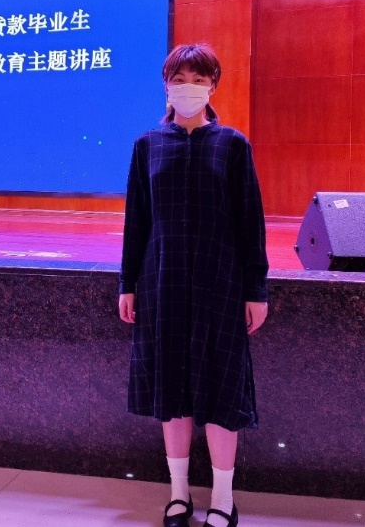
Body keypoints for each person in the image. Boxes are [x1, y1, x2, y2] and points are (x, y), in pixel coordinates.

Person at [118, 44, 269, 527]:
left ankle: (223, 498)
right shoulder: (147, 145)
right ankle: (179, 493)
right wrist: (127, 283)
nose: (189, 87)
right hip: (160, 281)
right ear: (166, 85)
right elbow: (137, 221)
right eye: (180, 78)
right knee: (172, 391)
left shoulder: (232, 144)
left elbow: (251, 222)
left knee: (222, 389)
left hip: (220, 282)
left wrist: (256, 290)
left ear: (213, 86)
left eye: (199, 79)